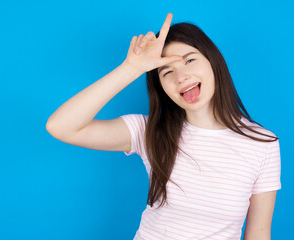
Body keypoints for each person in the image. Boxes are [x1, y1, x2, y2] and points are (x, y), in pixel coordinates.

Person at [46, 13, 281, 240]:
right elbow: (61, 126)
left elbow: (258, 234)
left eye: (190, 60)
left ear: (213, 61)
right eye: (167, 71)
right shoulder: (149, 131)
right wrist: (133, 67)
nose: (181, 77)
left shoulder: (262, 144)